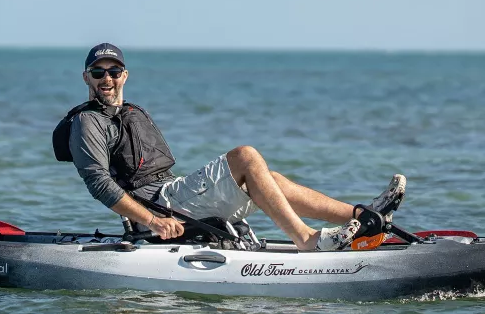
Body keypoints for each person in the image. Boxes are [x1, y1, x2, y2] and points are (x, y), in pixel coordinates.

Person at [52, 43, 404, 251]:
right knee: (245, 157)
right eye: (98, 73)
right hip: (158, 208)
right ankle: (308, 240)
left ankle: (363, 218)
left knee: (270, 178)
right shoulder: (88, 123)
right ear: (87, 78)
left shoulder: (131, 112)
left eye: (114, 71)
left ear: (125, 75)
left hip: (172, 193)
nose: (107, 79)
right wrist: (152, 221)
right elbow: (99, 184)